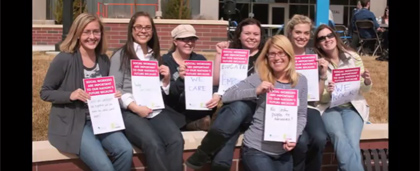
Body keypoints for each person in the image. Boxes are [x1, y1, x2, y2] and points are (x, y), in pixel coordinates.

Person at [40, 13, 133, 171]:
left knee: (125, 151)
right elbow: (45, 92)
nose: (92, 36)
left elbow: (103, 88)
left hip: (101, 120)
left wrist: (113, 95)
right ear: (77, 34)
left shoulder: (103, 59)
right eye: (86, 32)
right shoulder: (65, 59)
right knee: (104, 167)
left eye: (96, 32)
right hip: (74, 123)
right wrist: (71, 95)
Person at [186, 18, 266, 171]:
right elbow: (217, 80)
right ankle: (215, 161)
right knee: (221, 160)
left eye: (256, 34)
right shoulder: (232, 53)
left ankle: (204, 151)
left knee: (240, 107)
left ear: (261, 36)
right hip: (231, 110)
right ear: (239, 35)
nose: (251, 37)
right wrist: (219, 55)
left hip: (254, 110)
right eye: (247, 33)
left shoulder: (267, 57)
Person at [109, 11, 184, 171]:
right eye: (139, 27)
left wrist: (165, 80)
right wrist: (135, 107)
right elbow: (115, 88)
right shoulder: (120, 55)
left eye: (148, 27)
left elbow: (155, 88)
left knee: (176, 140)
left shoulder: (154, 56)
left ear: (152, 31)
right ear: (132, 29)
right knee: (154, 144)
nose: (143, 31)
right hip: (130, 111)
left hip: (154, 109)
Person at [225, 34, 308, 171]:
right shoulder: (260, 78)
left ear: (289, 55)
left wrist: (295, 136)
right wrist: (255, 91)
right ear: (267, 57)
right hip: (256, 149)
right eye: (272, 54)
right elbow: (227, 95)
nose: (277, 58)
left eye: (281, 53)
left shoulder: (300, 81)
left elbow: (302, 115)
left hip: (283, 152)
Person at [313, 24, 372, 171]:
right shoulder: (317, 63)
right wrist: (329, 92)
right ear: (318, 44)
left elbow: (364, 89)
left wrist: (366, 81)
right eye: (322, 38)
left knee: (352, 140)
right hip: (329, 108)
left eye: (329, 35)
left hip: (352, 106)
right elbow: (318, 98)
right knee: (338, 135)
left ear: (335, 36)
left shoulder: (353, 57)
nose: (327, 39)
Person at [284, 14, 329, 171]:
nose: (302, 37)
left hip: (309, 106)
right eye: (298, 32)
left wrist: (322, 75)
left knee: (320, 138)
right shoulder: (282, 54)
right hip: (287, 106)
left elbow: (316, 96)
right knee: (301, 142)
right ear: (290, 32)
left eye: (306, 33)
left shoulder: (312, 56)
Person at [162, 24, 220, 131]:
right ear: (175, 41)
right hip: (176, 109)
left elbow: (211, 83)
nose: (189, 43)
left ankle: (200, 122)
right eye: (184, 39)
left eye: (192, 40)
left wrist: (215, 95)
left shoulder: (200, 59)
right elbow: (168, 95)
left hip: (197, 107)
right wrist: (181, 79)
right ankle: (192, 124)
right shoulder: (165, 61)